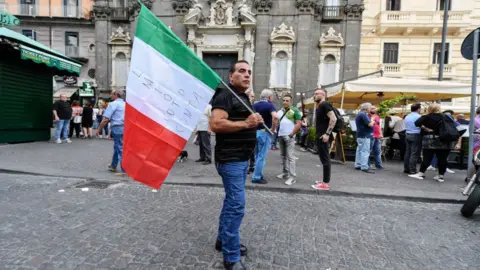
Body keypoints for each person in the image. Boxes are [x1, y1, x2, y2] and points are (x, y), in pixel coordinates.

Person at [210, 60, 263, 270]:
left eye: (249, 71)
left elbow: (242, 123)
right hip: (230, 160)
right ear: (231, 76)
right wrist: (247, 123)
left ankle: (222, 240)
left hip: (240, 160)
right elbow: (215, 124)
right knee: (236, 206)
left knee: (231, 202)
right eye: (241, 71)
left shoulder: (241, 97)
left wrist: (253, 123)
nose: (247, 75)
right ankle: (230, 258)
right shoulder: (225, 95)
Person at [409, 104, 453, 182]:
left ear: (430, 109)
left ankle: (421, 173)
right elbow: (453, 126)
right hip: (444, 140)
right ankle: (440, 176)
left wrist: (425, 128)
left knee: (427, 157)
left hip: (430, 140)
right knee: (443, 159)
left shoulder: (427, 117)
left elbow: (416, 123)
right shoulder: (445, 116)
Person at [311, 88, 337, 191]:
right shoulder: (321, 106)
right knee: (323, 159)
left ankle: (325, 184)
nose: (315, 95)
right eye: (314, 93)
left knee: (325, 159)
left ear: (323, 95)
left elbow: (333, 118)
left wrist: (327, 134)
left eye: (317, 94)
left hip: (324, 136)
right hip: (321, 136)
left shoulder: (325, 105)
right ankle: (324, 181)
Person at [96, 90, 126, 176]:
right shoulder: (126, 105)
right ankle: (113, 165)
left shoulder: (113, 104)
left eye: (111, 94)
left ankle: (125, 170)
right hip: (126, 128)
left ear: (116, 95)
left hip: (117, 127)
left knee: (119, 147)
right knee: (118, 146)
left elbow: (105, 119)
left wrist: (99, 130)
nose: (110, 96)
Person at [252, 89, 278, 184]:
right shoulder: (270, 105)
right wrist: (272, 128)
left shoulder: (254, 105)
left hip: (255, 132)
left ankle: (258, 173)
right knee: (261, 156)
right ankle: (256, 177)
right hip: (264, 132)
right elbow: (275, 117)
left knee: (257, 155)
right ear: (269, 97)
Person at [276, 94, 302, 185]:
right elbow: (277, 122)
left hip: (289, 136)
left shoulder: (295, 110)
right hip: (281, 135)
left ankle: (292, 177)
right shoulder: (280, 111)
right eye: (284, 100)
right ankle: (285, 173)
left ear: (291, 102)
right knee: (283, 156)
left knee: (290, 157)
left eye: (287, 100)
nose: (285, 102)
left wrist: (291, 134)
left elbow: (298, 124)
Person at [355, 103, 375, 173]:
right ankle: (364, 166)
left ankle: (358, 165)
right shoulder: (363, 114)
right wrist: (372, 120)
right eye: (370, 108)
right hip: (365, 135)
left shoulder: (359, 114)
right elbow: (369, 124)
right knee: (365, 151)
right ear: (366, 108)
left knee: (359, 150)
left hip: (360, 135)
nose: (370, 109)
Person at [403, 103, 422, 174]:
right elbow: (421, 126)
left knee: (408, 152)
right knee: (414, 153)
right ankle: (412, 169)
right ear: (418, 109)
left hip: (407, 134)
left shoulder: (407, 116)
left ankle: (406, 168)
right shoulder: (418, 116)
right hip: (416, 135)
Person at [247, 90, 256, 173]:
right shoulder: (244, 105)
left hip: (253, 131)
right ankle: (246, 167)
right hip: (245, 131)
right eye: (251, 96)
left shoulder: (254, 106)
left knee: (252, 150)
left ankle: (252, 166)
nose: (253, 98)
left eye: (253, 96)